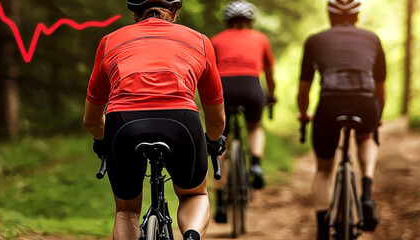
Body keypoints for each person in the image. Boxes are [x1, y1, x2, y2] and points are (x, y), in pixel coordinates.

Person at [82, 1, 227, 239]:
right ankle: (191, 236)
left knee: (126, 211)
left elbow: (91, 120)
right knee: (194, 195)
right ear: (175, 11)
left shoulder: (109, 41)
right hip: (181, 121)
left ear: (133, 12)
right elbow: (216, 118)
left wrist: (103, 141)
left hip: (123, 124)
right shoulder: (200, 40)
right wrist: (212, 142)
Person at [297, 0, 386, 239]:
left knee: (324, 170)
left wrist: (304, 114)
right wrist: (378, 116)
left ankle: (322, 229)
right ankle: (366, 193)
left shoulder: (314, 41)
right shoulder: (373, 39)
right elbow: (380, 88)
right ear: (357, 16)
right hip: (366, 102)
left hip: (329, 105)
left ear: (329, 15)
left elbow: (304, 88)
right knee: (366, 137)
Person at [209, 0, 276, 223]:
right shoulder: (260, 39)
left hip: (224, 89)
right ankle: (255, 164)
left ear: (227, 21)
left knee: (220, 142)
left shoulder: (216, 40)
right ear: (250, 21)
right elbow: (269, 71)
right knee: (255, 126)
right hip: (251, 86)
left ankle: (219, 202)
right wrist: (271, 95)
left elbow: (209, 73)